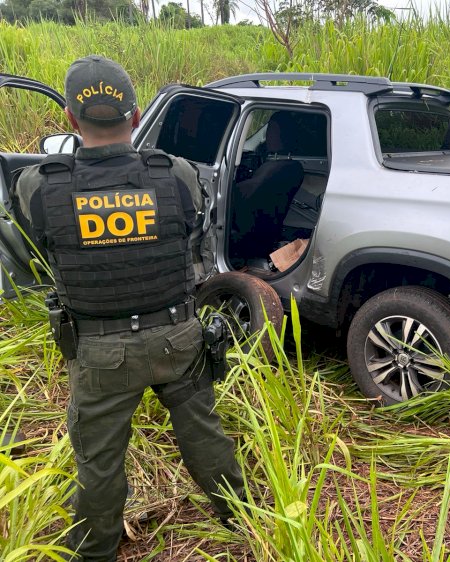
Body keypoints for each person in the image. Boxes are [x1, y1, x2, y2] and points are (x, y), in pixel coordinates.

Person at [11, 55, 244, 561]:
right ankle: (245, 519)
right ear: (136, 117)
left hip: (99, 352)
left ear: (71, 120)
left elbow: (37, 248)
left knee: (99, 462)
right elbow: (192, 232)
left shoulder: (39, 185)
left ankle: (95, 552)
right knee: (204, 434)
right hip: (177, 338)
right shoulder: (175, 174)